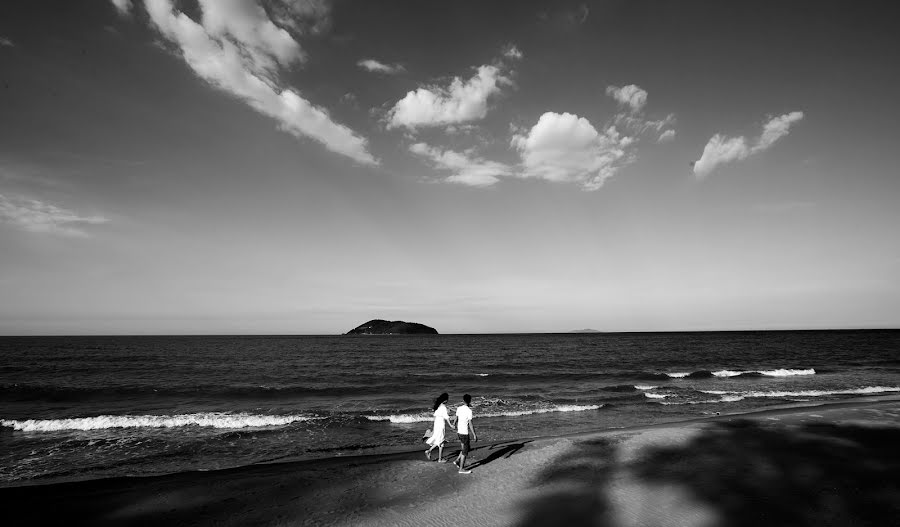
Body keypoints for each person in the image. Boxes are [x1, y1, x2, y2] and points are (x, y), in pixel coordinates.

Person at [425, 393, 453, 462]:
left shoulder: (438, 406)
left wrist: (434, 428)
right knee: (440, 440)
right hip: (440, 425)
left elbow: (435, 416)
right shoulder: (443, 407)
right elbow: (446, 417)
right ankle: (429, 451)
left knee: (441, 441)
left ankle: (440, 459)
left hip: (436, 424)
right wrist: (451, 425)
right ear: (445, 400)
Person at [453, 393, 477, 474]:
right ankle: (461, 469)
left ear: (463, 400)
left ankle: (457, 461)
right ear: (470, 401)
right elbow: (470, 424)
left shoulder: (459, 408)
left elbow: (456, 418)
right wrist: (474, 434)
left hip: (459, 432)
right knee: (465, 451)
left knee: (464, 448)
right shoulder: (469, 411)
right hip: (464, 433)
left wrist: (453, 424)